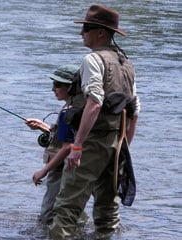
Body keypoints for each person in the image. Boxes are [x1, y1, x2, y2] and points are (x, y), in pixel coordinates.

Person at [49, 5, 140, 239]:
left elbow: (95, 102)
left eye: (86, 29)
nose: (82, 34)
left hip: (91, 143)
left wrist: (77, 146)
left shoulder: (93, 59)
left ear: (101, 32)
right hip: (116, 144)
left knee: (67, 207)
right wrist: (123, 146)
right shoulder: (126, 62)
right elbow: (135, 109)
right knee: (108, 211)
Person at [26, 64, 82, 224]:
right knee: (71, 211)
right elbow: (70, 137)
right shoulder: (80, 107)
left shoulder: (68, 112)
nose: (53, 89)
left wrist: (43, 171)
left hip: (61, 170)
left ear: (71, 87)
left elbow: (68, 147)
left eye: (57, 85)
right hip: (75, 171)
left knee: (47, 216)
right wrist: (43, 127)